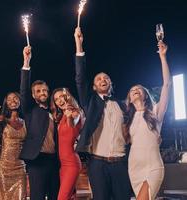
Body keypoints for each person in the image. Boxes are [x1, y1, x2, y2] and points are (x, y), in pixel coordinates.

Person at [74, 27, 132, 200]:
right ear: (93, 86)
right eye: (98, 79)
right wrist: (79, 44)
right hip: (97, 163)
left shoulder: (122, 105)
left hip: (120, 162)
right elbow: (80, 78)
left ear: (111, 84)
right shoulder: (89, 101)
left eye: (106, 78)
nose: (102, 80)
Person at [125, 41, 170, 199]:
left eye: (139, 89)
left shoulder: (156, 111)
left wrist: (163, 57)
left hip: (153, 166)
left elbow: (166, 85)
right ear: (129, 99)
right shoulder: (128, 119)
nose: (135, 91)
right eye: (132, 90)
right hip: (134, 167)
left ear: (145, 94)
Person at [19, 46, 60, 200]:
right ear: (33, 95)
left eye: (45, 90)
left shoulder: (54, 112)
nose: (43, 93)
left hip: (54, 161)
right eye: (38, 91)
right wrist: (26, 62)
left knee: (54, 196)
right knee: (37, 197)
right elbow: (23, 89)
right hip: (37, 161)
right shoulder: (30, 109)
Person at [50, 88, 84, 200]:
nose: (59, 100)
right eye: (56, 99)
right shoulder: (61, 117)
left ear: (68, 97)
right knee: (69, 197)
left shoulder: (76, 112)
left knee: (62, 198)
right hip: (63, 165)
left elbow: (72, 124)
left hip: (72, 164)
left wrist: (69, 117)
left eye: (61, 96)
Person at [0, 92, 27, 200]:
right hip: (4, 168)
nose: (13, 101)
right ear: (6, 104)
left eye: (15, 98)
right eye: (9, 99)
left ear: (20, 101)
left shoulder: (26, 122)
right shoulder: (2, 120)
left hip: (20, 167)